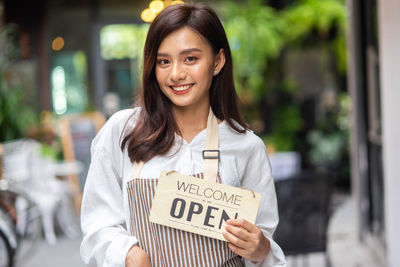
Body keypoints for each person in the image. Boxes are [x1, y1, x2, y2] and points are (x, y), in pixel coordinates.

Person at [80, 3, 287, 267]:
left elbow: (265, 245)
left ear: (217, 61)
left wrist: (260, 249)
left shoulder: (246, 146)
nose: (176, 74)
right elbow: (97, 226)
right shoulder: (123, 131)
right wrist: (129, 254)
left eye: (190, 58)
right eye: (164, 61)